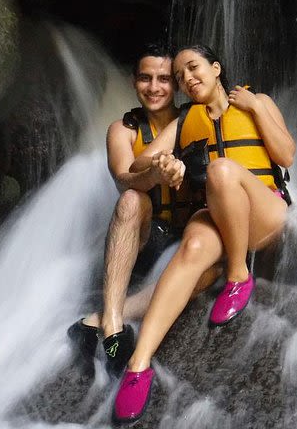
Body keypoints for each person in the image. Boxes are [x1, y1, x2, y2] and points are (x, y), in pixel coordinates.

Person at [111, 44, 295, 423]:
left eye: (193, 69)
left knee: (221, 170)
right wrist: (165, 161)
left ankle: (237, 276)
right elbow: (141, 162)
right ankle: (138, 366)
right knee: (192, 246)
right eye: (179, 77)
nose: (187, 79)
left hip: (265, 209)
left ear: (215, 69)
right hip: (218, 213)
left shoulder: (257, 100)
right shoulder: (185, 121)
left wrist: (258, 108)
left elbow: (287, 155)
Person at [67, 43, 221, 375]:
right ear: (134, 81)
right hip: (146, 238)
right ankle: (111, 327)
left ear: (177, 84)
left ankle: (95, 319)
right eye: (145, 78)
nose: (154, 88)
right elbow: (124, 180)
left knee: (211, 269)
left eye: (164, 79)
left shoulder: (194, 118)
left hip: (186, 239)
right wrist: (155, 173)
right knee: (132, 199)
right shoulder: (122, 130)